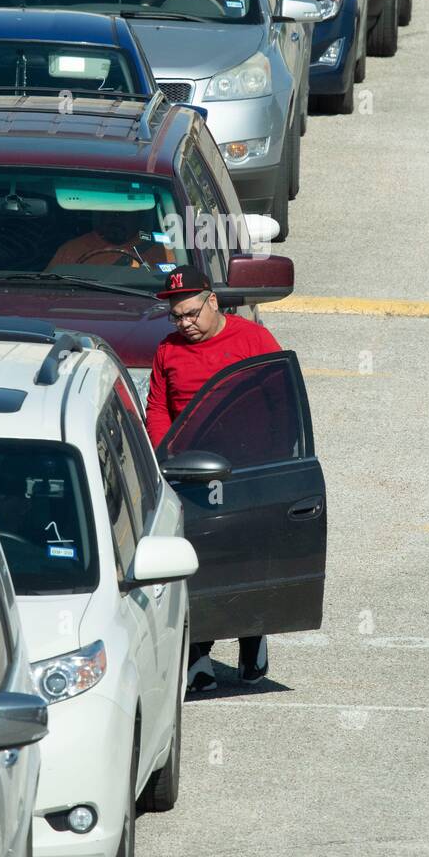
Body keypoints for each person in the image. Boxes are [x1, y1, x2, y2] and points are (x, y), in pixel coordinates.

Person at [145, 264, 281, 692]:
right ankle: (199, 657)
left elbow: (278, 397)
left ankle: (252, 640)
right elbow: (158, 407)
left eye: (190, 313)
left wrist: (276, 458)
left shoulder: (253, 340)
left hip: (245, 467)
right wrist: (166, 454)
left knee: (247, 556)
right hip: (190, 470)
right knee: (196, 563)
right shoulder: (168, 350)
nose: (184, 323)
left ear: (213, 302)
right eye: (176, 316)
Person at [47, 208, 173, 269]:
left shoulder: (161, 250)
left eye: (125, 214)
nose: (116, 218)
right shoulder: (71, 249)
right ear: (100, 216)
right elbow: (49, 288)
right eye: (109, 213)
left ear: (138, 218)